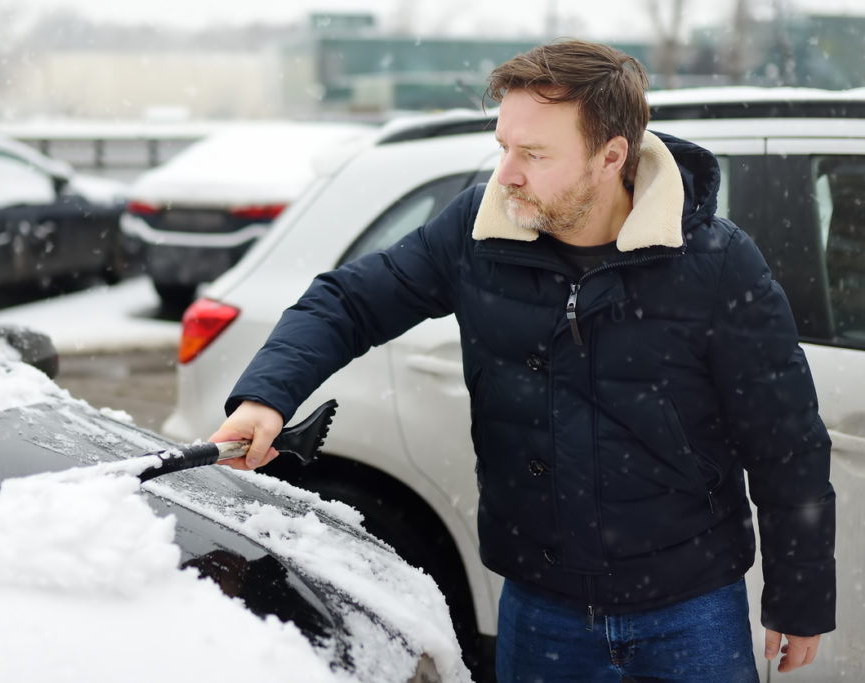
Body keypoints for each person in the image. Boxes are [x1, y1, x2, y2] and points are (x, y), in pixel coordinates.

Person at [209, 39, 836, 682]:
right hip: (544, 611)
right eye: (504, 146)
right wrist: (266, 396)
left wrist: (800, 595)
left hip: (692, 610)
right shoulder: (476, 234)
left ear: (610, 157)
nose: (507, 172)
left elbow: (787, 443)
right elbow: (346, 303)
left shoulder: (717, 263)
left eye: (534, 154)